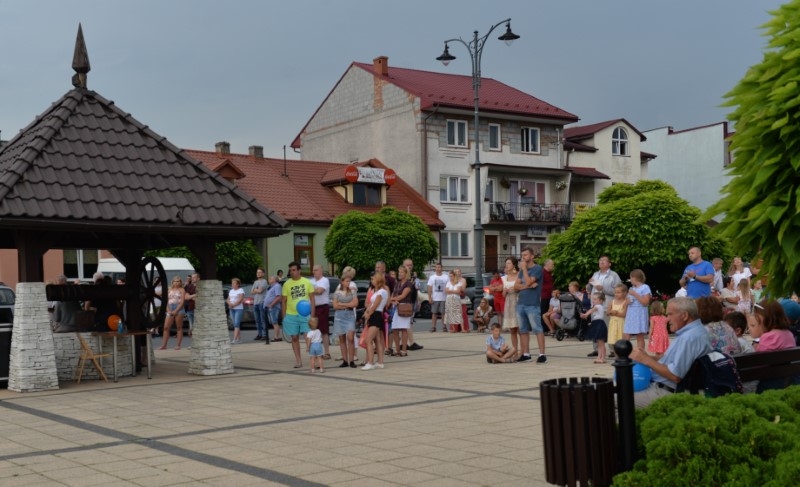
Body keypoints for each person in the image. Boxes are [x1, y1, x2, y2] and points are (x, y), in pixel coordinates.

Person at [630, 297, 712, 408]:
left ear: (684, 316)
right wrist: (645, 357)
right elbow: (671, 359)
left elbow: (675, 375)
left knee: (613, 398)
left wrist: (646, 360)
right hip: (666, 387)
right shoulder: (696, 331)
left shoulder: (688, 338)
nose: (667, 319)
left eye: (670, 314)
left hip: (666, 391)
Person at [748, 300, 797, 391]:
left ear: (763, 319)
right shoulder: (789, 333)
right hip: (788, 380)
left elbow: (759, 364)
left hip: (770, 383)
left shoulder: (768, 337)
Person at [282, 262, 315, 369]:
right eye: (290, 270)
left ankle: (313, 360)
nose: (292, 272)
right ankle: (298, 361)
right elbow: (283, 301)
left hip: (305, 314)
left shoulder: (307, 282)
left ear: (299, 270)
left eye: (294, 270)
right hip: (291, 315)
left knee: (308, 336)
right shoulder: (286, 284)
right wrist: (284, 316)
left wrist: (312, 315)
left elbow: (312, 299)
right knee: (294, 337)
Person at [587, 256, 621, 358]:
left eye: (604, 260)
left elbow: (618, 291)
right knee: (595, 327)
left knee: (608, 328)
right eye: (600, 260)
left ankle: (613, 350)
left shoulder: (614, 275)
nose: (601, 262)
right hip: (595, 305)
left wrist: (603, 288)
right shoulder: (595, 274)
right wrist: (589, 284)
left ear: (609, 264)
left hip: (607, 306)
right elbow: (590, 288)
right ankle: (596, 349)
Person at [516, 247, 545, 363]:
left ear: (532, 256)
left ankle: (542, 354)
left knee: (537, 329)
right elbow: (516, 286)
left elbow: (528, 281)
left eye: (526, 255)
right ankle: (526, 354)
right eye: (522, 255)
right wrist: (527, 286)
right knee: (523, 330)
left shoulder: (537, 268)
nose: (523, 257)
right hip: (521, 303)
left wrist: (524, 269)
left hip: (532, 304)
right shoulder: (521, 271)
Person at [361, 271, 388, 370]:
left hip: (376, 315)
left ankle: (370, 362)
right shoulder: (377, 291)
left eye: (373, 279)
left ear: (378, 279)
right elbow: (370, 304)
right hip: (374, 315)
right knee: (377, 340)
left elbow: (375, 306)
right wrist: (367, 312)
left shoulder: (382, 292)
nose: (371, 281)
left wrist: (368, 314)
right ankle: (380, 362)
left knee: (368, 340)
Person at [333, 274, 358, 368]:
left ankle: (352, 360)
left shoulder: (352, 291)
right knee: (342, 338)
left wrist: (343, 304)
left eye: (349, 281)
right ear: (342, 282)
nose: (348, 283)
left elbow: (355, 303)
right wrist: (348, 304)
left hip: (349, 315)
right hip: (339, 316)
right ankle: (345, 360)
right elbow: (335, 306)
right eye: (347, 281)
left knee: (350, 337)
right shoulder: (337, 292)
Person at [624, 269, 651, 351]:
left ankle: (640, 353)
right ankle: (624, 353)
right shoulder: (632, 288)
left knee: (639, 335)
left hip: (639, 313)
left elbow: (645, 302)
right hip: (630, 313)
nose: (630, 280)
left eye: (631, 278)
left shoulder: (645, 287)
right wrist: (627, 301)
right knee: (626, 334)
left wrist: (635, 294)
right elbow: (627, 301)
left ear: (635, 278)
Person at [389, 265, 414, 356]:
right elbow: (393, 294)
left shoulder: (408, 284)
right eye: (399, 272)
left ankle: (404, 350)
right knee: (394, 329)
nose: (399, 274)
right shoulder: (397, 283)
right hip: (396, 307)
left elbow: (403, 295)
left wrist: (392, 299)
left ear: (406, 273)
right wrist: (393, 300)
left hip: (404, 308)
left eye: (401, 272)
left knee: (403, 329)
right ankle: (397, 350)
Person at [310, 265, 332, 360]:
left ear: (321, 271)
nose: (314, 272)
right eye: (313, 270)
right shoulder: (311, 281)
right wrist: (312, 291)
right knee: (313, 330)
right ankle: (316, 352)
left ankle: (327, 352)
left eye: (316, 270)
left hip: (322, 307)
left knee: (324, 330)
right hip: (313, 307)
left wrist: (311, 290)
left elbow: (319, 291)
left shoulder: (324, 280)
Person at [159, 276, 186, 350]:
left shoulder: (182, 290)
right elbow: (165, 300)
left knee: (179, 327)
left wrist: (176, 310)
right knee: (166, 327)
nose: (176, 283)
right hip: (170, 306)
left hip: (179, 307)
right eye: (175, 281)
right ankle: (164, 345)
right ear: (172, 282)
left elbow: (182, 302)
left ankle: (178, 345)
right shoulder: (169, 289)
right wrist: (168, 309)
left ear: (180, 282)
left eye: (178, 281)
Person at [402, 258, 424, 351]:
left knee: (409, 322)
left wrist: (418, 301)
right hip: (405, 302)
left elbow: (416, 290)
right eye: (407, 265)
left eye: (410, 265)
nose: (409, 267)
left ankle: (407, 343)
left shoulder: (414, 278)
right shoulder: (403, 277)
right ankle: (409, 343)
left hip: (412, 301)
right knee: (407, 322)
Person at [580, 293, 608, 363]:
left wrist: (586, 314)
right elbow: (592, 310)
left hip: (599, 324)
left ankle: (603, 358)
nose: (593, 301)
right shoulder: (598, 306)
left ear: (601, 300)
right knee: (599, 343)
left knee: (601, 343)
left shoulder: (598, 306)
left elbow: (592, 310)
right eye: (593, 299)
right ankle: (599, 357)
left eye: (595, 299)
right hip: (596, 324)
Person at [502, 257, 521, 356]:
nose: (507, 265)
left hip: (518, 300)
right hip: (509, 302)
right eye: (506, 263)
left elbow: (522, 288)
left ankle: (524, 351)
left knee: (520, 328)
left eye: (509, 263)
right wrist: (505, 291)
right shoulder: (504, 278)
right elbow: (503, 295)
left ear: (514, 265)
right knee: (512, 329)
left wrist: (515, 289)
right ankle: (515, 351)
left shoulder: (519, 275)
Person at [607, 283, 629, 354]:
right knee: (613, 340)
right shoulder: (612, 302)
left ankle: (623, 355)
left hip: (621, 323)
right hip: (613, 323)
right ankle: (616, 355)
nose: (616, 294)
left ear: (624, 293)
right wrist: (611, 312)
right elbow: (607, 312)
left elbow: (624, 314)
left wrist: (615, 313)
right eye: (615, 292)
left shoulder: (625, 302)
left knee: (621, 340)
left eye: (618, 292)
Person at [427, 263, 448, 333]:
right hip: (435, 298)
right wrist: (429, 297)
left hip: (443, 298)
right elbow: (429, 288)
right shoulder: (432, 277)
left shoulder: (446, 277)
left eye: (439, 267)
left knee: (443, 313)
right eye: (436, 267)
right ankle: (433, 327)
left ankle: (444, 326)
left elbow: (448, 287)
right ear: (435, 269)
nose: (438, 269)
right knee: (434, 313)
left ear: (442, 268)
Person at [263, 275, 283, 343]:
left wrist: (271, 304)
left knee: (274, 322)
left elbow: (278, 297)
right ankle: (277, 336)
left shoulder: (277, 286)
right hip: (270, 307)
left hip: (274, 307)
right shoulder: (271, 287)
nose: (269, 279)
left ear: (275, 279)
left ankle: (276, 337)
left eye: (270, 278)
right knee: (273, 322)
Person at [226, 278, 245, 344]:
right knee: (235, 324)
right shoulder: (231, 291)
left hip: (238, 309)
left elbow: (240, 299)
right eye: (232, 283)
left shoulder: (241, 290)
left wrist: (234, 305)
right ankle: (239, 339)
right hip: (232, 309)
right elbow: (228, 299)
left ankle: (235, 339)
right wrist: (230, 304)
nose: (232, 284)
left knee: (236, 323)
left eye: (234, 283)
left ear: (238, 284)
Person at [251, 267, 268, 341]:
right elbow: (251, 292)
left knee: (263, 319)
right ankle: (259, 334)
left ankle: (264, 335)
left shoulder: (264, 281)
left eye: (260, 272)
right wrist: (256, 290)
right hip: (255, 302)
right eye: (257, 272)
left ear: (263, 274)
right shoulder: (255, 282)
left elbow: (260, 291)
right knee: (257, 320)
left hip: (261, 302)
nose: (258, 274)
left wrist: (255, 290)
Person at [454, 268, 470, 332]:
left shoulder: (463, 280)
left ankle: (465, 328)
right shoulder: (452, 280)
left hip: (461, 296)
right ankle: (455, 328)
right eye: (456, 272)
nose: (458, 273)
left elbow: (462, 289)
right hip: (454, 297)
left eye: (459, 271)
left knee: (463, 312)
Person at [184, 273, 199, 338]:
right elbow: (186, 297)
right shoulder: (190, 286)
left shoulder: (201, 287)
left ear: (198, 278)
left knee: (197, 326)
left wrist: (191, 296)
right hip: (190, 308)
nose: (192, 279)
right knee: (191, 327)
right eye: (192, 277)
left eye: (194, 277)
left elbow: (199, 298)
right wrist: (194, 295)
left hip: (198, 309)